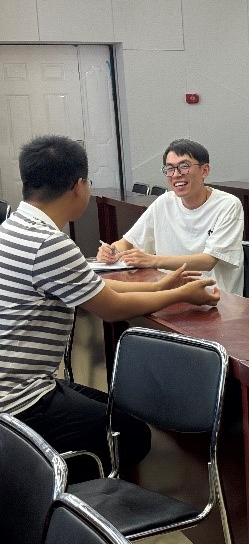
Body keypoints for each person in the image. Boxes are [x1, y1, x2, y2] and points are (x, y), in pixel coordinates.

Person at [2, 135, 221, 480]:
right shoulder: (49, 243)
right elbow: (112, 307)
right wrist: (181, 295)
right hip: (19, 401)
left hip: (19, 386)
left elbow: (92, 285)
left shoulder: (15, 227)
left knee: (117, 412)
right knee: (132, 435)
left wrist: (160, 285)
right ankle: (63, 492)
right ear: (78, 186)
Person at [96, 139, 244, 295]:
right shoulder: (164, 202)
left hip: (214, 296)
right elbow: (128, 243)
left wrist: (153, 260)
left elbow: (208, 261)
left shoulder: (228, 205)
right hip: (170, 292)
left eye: (184, 166)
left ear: (204, 171)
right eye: (170, 168)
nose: (176, 174)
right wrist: (111, 251)